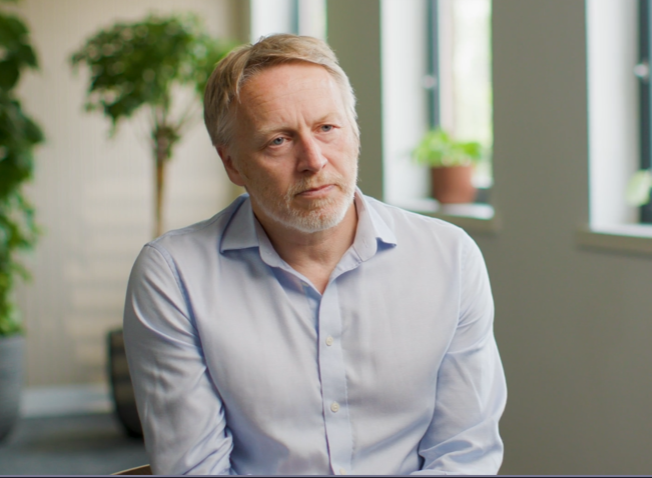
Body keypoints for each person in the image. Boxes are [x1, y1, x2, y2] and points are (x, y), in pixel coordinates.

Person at [123, 34, 507, 476]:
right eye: (278, 140)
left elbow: (464, 453)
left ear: (354, 133)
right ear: (231, 163)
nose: (313, 159)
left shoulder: (449, 257)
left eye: (327, 128)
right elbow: (195, 470)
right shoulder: (174, 275)